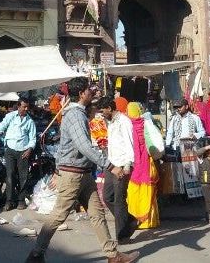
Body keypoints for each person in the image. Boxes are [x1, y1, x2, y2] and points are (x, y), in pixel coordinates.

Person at [26, 78, 139, 263]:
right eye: (89, 90)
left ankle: (113, 255)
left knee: (97, 214)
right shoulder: (75, 116)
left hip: (84, 174)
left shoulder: (78, 114)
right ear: (81, 94)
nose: (92, 92)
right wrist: (111, 166)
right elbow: (85, 147)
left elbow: (65, 147)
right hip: (73, 175)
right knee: (59, 215)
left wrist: (57, 169)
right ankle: (36, 254)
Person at [99, 96, 137, 242]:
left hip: (122, 164)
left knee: (119, 199)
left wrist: (128, 165)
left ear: (109, 108)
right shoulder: (110, 122)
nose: (102, 114)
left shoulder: (124, 121)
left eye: (103, 111)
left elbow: (129, 143)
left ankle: (122, 236)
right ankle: (130, 221)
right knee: (107, 197)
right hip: (111, 164)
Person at [0, 97, 37, 211]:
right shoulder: (10, 117)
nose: (26, 109)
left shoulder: (30, 121)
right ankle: (9, 201)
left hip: (23, 151)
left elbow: (32, 138)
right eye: (24, 107)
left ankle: (21, 201)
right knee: (10, 175)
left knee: (23, 176)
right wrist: (6, 137)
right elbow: (0, 129)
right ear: (18, 106)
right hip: (10, 150)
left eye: (27, 107)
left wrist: (29, 149)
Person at [126, 102, 160, 230]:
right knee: (148, 191)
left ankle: (135, 219)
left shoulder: (127, 126)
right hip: (147, 162)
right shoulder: (147, 124)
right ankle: (149, 221)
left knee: (133, 191)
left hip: (134, 164)